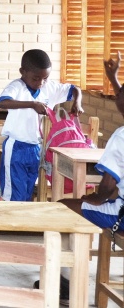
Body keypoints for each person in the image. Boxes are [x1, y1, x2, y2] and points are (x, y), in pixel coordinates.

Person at [57, 52, 124, 305]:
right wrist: (113, 78)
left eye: (118, 95)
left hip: (121, 215)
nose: (116, 97)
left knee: (63, 208)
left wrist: (90, 198)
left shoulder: (121, 136)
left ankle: (65, 283)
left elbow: (106, 190)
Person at [0, 49, 82, 201]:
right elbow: (2, 102)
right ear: (22, 72)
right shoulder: (16, 87)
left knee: (28, 191)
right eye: (36, 78)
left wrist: (77, 102)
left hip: (37, 148)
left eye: (45, 78)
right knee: (13, 193)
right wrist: (32, 104)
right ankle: (9, 222)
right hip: (16, 146)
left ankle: (23, 222)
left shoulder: (49, 88)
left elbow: (75, 89)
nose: (40, 83)